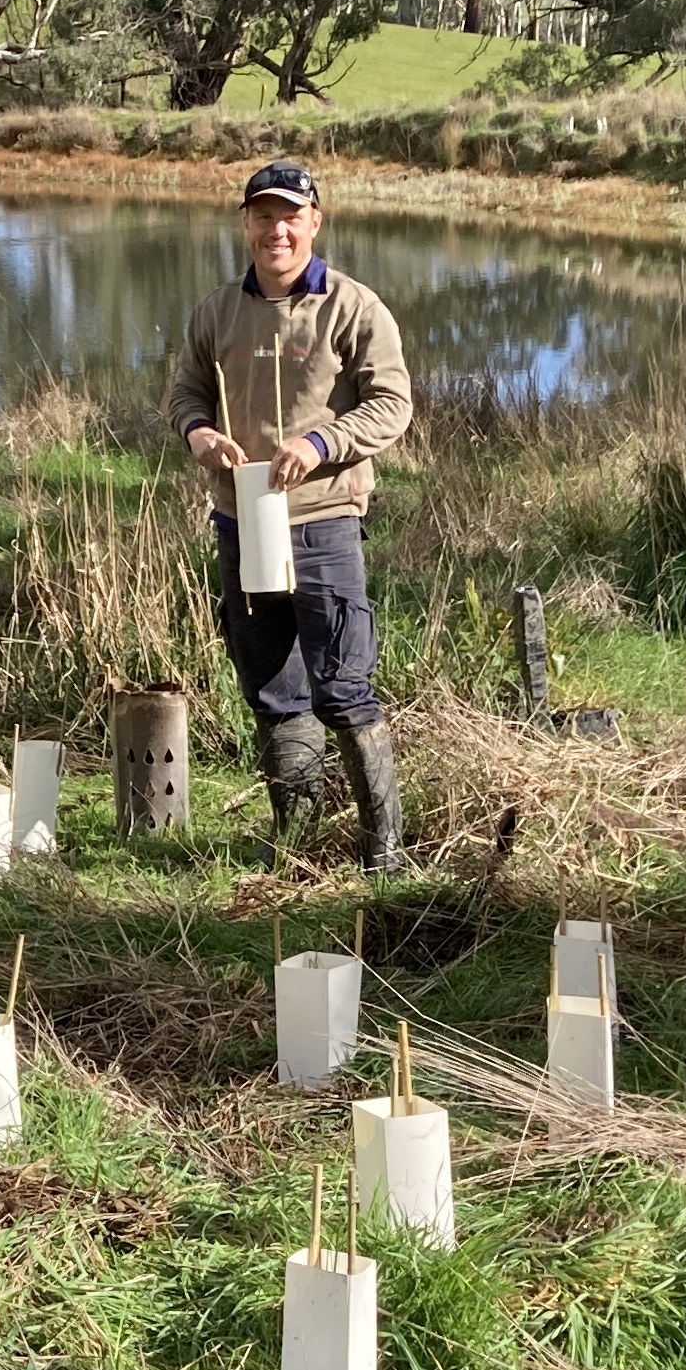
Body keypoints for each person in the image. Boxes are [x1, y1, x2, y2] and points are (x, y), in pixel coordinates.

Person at [163, 158, 414, 870]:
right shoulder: (215, 312)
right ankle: (298, 842)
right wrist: (198, 433)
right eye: (263, 215)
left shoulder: (355, 307)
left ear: (314, 222)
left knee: (344, 687)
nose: (277, 229)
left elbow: (392, 404)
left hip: (325, 518)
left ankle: (383, 851)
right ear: (245, 223)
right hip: (242, 520)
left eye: (290, 215)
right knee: (272, 686)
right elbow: (183, 393)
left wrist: (323, 441)